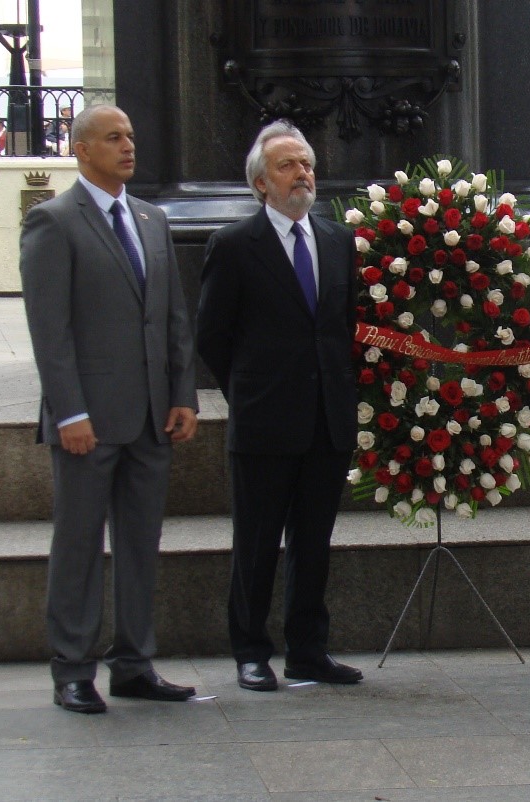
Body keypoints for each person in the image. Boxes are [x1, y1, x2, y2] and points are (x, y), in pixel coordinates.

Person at [19, 104, 199, 714]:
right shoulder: (53, 221)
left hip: (152, 416)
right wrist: (68, 412)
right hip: (88, 422)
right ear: (82, 149)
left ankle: (134, 664)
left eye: (131, 136)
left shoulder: (151, 219)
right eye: (113, 137)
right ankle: (72, 668)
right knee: (78, 544)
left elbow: (173, 316)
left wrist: (182, 394)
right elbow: (50, 330)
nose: (128, 146)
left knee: (140, 544)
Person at [195, 121, 364, 692]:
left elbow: (343, 327)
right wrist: (249, 392)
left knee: (313, 544)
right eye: (288, 165)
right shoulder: (234, 246)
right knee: (257, 544)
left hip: (326, 420)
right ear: (261, 183)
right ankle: (250, 651)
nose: (302, 174)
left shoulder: (337, 240)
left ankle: (308, 652)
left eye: (307, 164)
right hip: (264, 421)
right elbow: (212, 337)